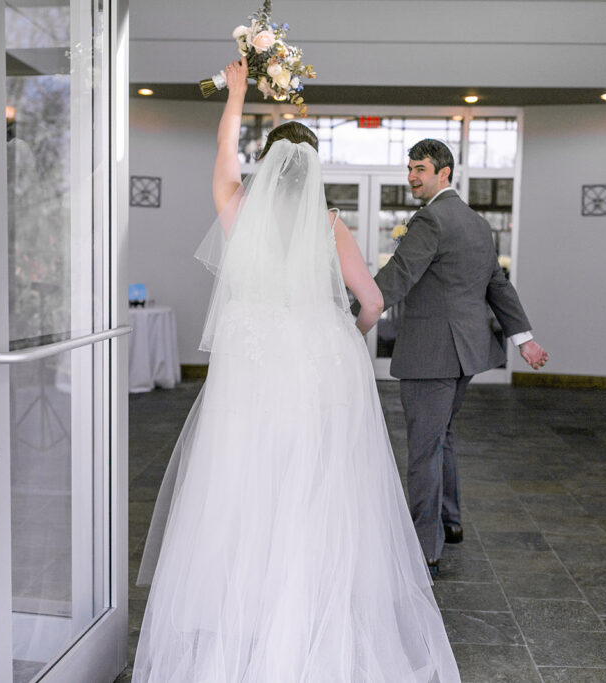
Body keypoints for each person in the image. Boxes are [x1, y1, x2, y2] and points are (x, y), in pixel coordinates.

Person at [133, 59, 460, 682]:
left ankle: (246, 617)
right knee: (314, 488)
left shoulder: (238, 210)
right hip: (316, 370)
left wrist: (235, 96)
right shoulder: (329, 225)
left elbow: (223, 160)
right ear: (313, 173)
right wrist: (344, 335)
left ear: (267, 165)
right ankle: (309, 610)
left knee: (242, 487)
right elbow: (371, 302)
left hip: (251, 371)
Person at [355, 139, 548, 577]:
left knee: (424, 449)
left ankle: (425, 547)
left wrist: (351, 322)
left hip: (432, 353)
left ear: (444, 172)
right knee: (440, 437)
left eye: (420, 169)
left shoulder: (430, 219)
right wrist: (524, 339)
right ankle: (450, 521)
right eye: (409, 168)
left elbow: (397, 277)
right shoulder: (477, 223)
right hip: (465, 353)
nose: (411, 177)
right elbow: (498, 284)